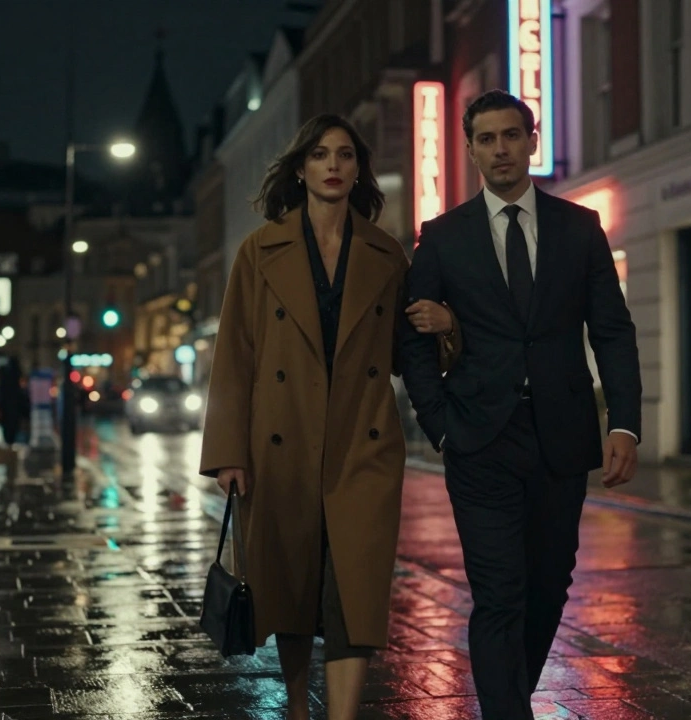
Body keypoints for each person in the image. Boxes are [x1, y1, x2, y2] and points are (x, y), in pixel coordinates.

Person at [198, 114, 456, 720]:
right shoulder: (259, 251)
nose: (334, 165)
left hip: (360, 445)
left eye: (345, 155)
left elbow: (403, 351)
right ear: (301, 169)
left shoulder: (386, 253)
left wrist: (451, 331)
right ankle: (295, 704)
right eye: (320, 155)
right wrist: (229, 452)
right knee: (291, 583)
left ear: (359, 169)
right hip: (278, 445)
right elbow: (234, 355)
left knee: (354, 589)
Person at [398, 89, 643, 719]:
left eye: (512, 135)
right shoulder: (443, 237)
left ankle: (511, 698)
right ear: (472, 149)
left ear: (532, 140)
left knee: (548, 587)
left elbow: (611, 330)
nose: (501, 149)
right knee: (499, 592)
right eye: (487, 138)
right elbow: (412, 339)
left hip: (561, 435)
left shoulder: (579, 228)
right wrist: (439, 426)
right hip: (479, 439)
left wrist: (626, 424)